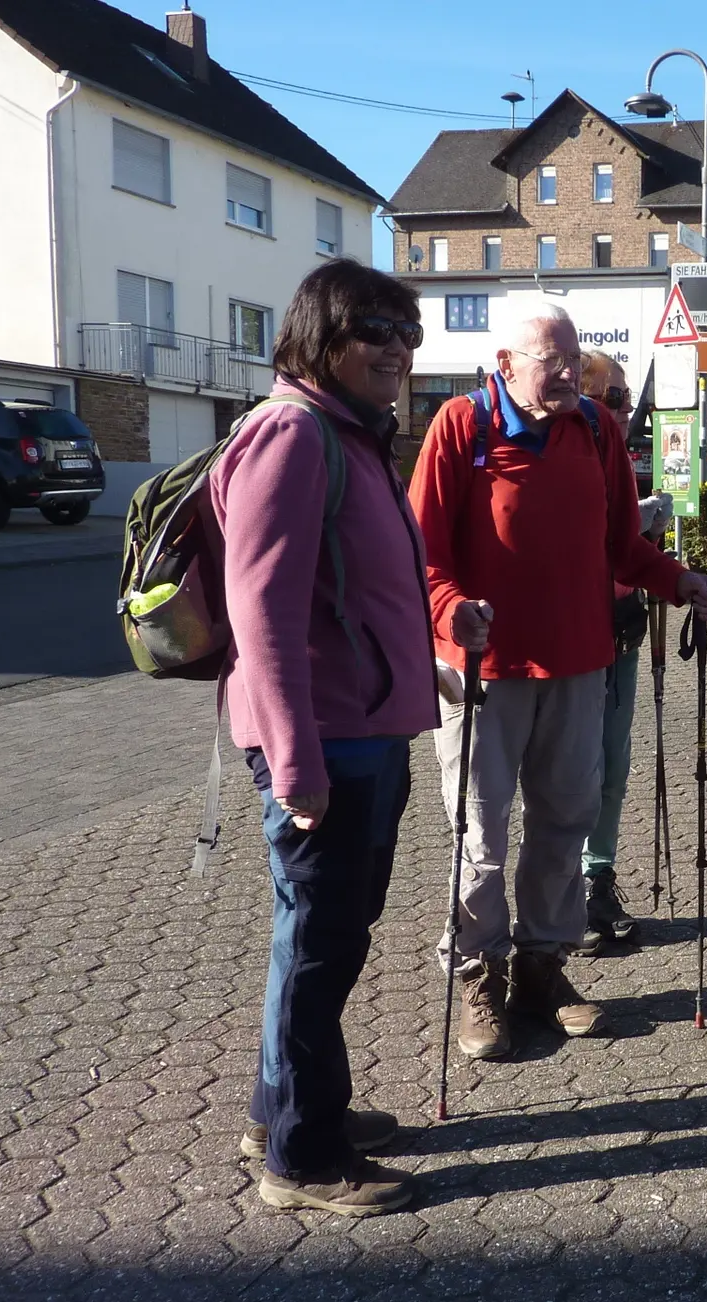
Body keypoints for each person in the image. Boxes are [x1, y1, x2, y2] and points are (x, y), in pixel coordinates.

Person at [214, 258, 488, 1216]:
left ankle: (282, 1108)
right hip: (323, 745)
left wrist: (433, 670)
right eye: (377, 329)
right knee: (321, 945)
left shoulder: (355, 438)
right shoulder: (292, 437)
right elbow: (265, 617)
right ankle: (303, 1159)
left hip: (366, 730)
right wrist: (295, 763)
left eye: (409, 334)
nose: (399, 349)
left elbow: (362, 599)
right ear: (320, 333)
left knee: (322, 939)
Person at [410, 307, 707, 1061]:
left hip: (579, 664)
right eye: (551, 359)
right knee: (479, 833)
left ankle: (541, 969)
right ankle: (479, 977)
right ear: (506, 362)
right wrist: (452, 609)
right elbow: (416, 554)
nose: (566, 372)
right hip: (484, 670)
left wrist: (678, 581)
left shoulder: (596, 429)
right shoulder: (460, 426)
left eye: (574, 356)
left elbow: (621, 548)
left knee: (564, 825)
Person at [571, 351, 669, 952]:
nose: (627, 409)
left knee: (613, 767)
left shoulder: (616, 456)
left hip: (622, 631)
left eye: (627, 399)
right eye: (616, 398)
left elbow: (624, 549)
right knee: (572, 774)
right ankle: (564, 894)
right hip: (571, 644)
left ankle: (597, 877)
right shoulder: (558, 456)